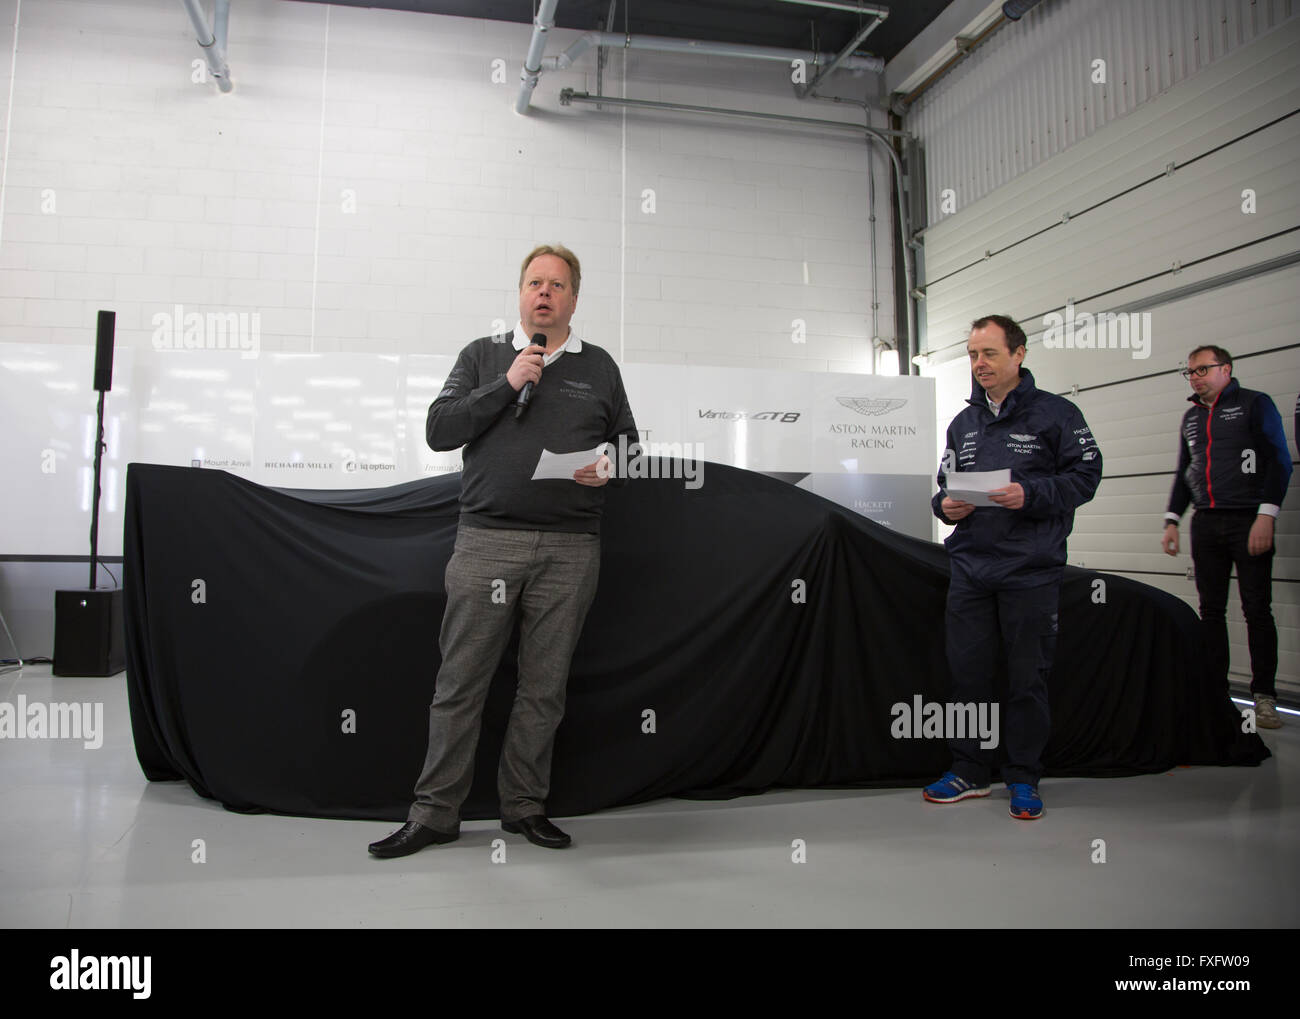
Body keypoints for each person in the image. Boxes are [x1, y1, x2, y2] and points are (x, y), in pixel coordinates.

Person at [369, 244, 638, 857]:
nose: (545, 292)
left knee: (544, 688)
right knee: (460, 682)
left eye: (558, 285)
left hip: (571, 550)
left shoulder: (600, 367)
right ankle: (435, 812)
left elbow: (629, 448)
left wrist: (609, 465)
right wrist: (508, 382)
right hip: (487, 542)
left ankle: (523, 807)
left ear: (574, 298)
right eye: (535, 282)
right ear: (521, 293)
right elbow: (440, 429)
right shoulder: (484, 355)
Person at [924, 315, 1102, 819]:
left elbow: (1087, 475)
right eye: (973, 355)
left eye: (990, 354)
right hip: (971, 570)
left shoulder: (1058, 414)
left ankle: (1023, 777)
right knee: (967, 675)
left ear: (1019, 353)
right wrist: (945, 507)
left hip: (1031, 569)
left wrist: (1032, 493)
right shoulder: (964, 423)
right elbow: (945, 485)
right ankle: (969, 771)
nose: (979, 364)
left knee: (1027, 678)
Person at [1160, 346, 1292, 730]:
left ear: (1226, 369)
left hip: (1249, 519)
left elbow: (1280, 461)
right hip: (1206, 523)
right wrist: (1172, 519)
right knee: (1211, 611)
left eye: (1203, 369)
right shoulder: (1191, 418)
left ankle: (1264, 698)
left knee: (1257, 609)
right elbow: (1185, 471)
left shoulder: (1255, 405)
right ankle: (1215, 693)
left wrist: (1266, 515)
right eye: (1190, 372)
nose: (1196, 376)